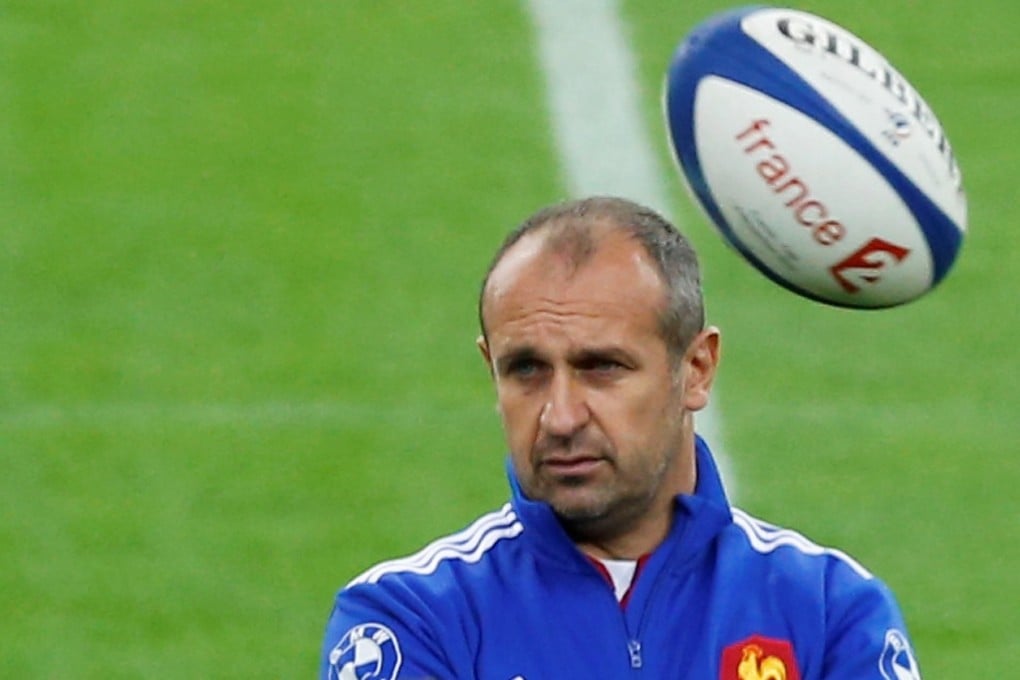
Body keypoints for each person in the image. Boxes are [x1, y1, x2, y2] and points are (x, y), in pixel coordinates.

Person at [320, 196, 922, 680]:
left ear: (696, 369)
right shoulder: (408, 620)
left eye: (601, 367)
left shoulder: (827, 610)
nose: (559, 417)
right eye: (526, 369)